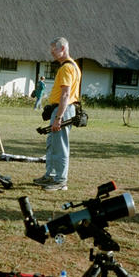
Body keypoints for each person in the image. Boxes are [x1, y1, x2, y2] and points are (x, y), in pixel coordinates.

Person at [32, 37, 81, 191]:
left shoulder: (67, 68)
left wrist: (59, 117)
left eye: (54, 49)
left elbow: (65, 94)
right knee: (53, 144)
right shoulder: (71, 66)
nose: (51, 52)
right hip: (60, 109)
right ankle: (51, 175)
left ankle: (60, 181)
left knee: (60, 146)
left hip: (63, 110)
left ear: (63, 49)